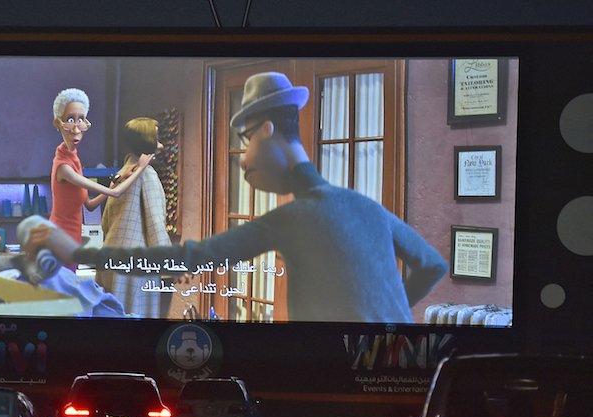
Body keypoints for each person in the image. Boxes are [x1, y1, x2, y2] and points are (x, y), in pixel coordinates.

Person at [27, 73, 448, 324]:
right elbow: (432, 264)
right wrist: (387, 323)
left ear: (265, 131)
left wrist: (82, 255)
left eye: (244, 140)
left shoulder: (294, 217)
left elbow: (193, 255)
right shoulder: (365, 205)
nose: (242, 158)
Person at [48, 88, 154, 246]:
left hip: (73, 240)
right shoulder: (63, 167)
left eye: (81, 120)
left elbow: (90, 205)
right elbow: (115, 193)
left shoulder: (74, 158)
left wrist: (118, 179)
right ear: (58, 123)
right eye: (70, 120)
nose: (77, 129)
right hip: (60, 241)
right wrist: (140, 168)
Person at [96, 117, 171, 318]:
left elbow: (105, 222)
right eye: (156, 139)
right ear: (146, 142)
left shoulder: (122, 173)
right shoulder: (147, 175)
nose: (161, 145)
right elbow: (155, 223)